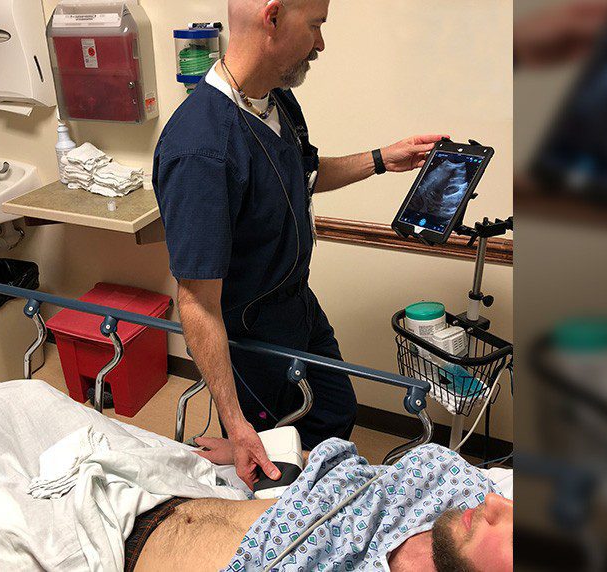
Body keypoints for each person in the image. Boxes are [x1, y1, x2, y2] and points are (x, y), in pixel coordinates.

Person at [153, 0, 448, 490]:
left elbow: (302, 174)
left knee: (335, 410)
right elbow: (197, 301)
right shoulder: (201, 150)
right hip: (250, 336)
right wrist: (236, 424)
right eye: (315, 26)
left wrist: (381, 159)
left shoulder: (275, 102)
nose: (321, 43)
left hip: (298, 306)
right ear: (272, 19)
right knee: (273, 463)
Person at [126, 440, 513, 571]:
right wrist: (258, 450)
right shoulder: (452, 479)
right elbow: (339, 471)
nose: (496, 501)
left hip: (116, 552)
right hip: (171, 487)